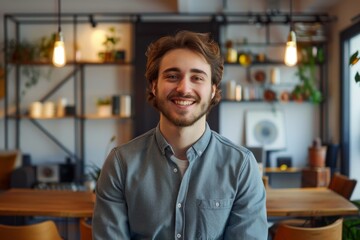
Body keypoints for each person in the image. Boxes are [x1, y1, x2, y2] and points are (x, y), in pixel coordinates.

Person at [92, 30, 268, 239]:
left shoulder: (241, 166)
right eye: (172, 76)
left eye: (197, 77)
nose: (184, 88)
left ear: (213, 89)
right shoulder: (121, 164)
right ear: (155, 86)